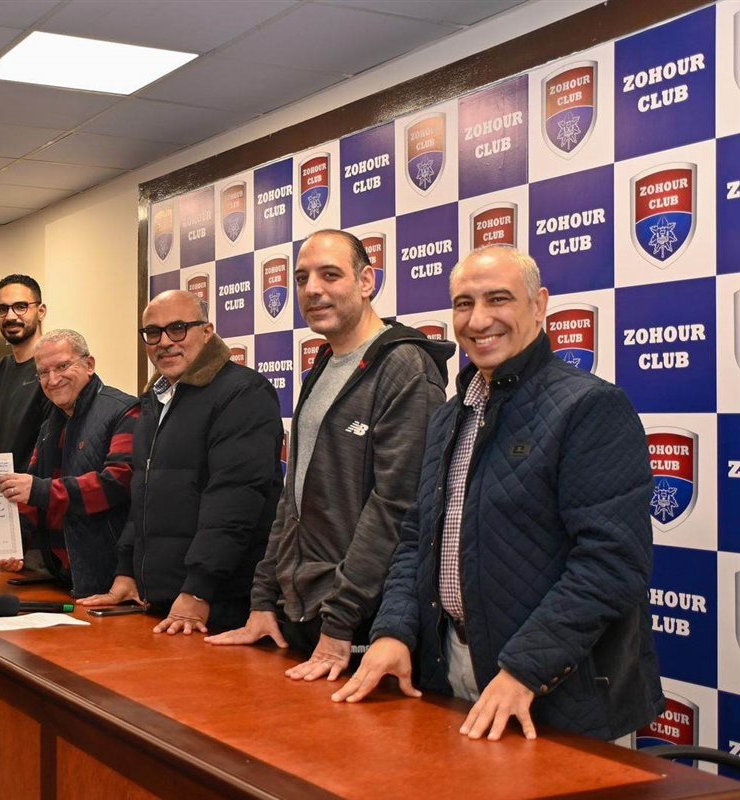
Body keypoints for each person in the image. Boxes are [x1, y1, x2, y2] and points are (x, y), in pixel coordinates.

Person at [334, 245, 665, 742]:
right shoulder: (450, 416)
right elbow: (416, 539)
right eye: (464, 304)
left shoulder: (591, 407)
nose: (478, 320)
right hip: (450, 671)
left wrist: (524, 670)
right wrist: (394, 630)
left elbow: (612, 563)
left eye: (498, 299)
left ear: (539, 304)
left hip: (555, 691)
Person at [205, 230, 452, 679]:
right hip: (301, 614)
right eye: (302, 278)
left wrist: (342, 620)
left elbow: (396, 507)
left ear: (366, 281)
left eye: (330, 275)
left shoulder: (405, 367)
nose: (312, 289)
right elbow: (293, 498)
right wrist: (263, 600)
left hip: (362, 622)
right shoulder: (324, 363)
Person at [79, 291, 283, 634]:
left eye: (178, 328)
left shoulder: (242, 393)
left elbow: (235, 500)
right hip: (163, 604)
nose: (164, 342)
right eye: (153, 332)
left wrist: (198, 589)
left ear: (207, 332)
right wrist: (127, 572)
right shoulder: (154, 399)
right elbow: (143, 498)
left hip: (218, 605)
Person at [0, 329, 140, 597]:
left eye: (63, 366)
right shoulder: (50, 425)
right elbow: (31, 499)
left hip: (111, 581)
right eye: (43, 372)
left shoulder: (124, 411)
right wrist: (11, 546)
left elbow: (117, 483)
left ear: (89, 365)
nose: (53, 379)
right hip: (60, 578)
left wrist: (39, 490)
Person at [0, 274, 49, 472]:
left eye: (21, 307)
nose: (11, 316)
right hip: (1, 486)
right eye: (2, 309)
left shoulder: (53, 368)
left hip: (36, 487)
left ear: (40, 311)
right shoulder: (0, 370)